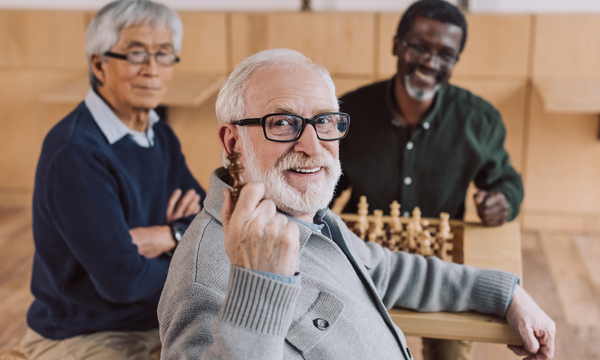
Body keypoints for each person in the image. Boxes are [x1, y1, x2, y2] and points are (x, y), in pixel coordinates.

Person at [157, 48, 554, 360]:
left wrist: (503, 294)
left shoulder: (304, 214)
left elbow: (385, 270)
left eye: (325, 121)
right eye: (281, 123)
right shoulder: (204, 282)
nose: (312, 146)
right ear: (232, 144)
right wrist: (261, 287)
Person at [21, 1, 205, 359]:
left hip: (158, 318)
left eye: (164, 55)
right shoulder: (75, 152)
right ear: (98, 63)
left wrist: (172, 235)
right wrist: (188, 253)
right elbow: (124, 281)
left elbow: (208, 220)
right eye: (136, 54)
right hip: (87, 335)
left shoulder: (158, 133)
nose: (152, 70)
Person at [336, 0, 523, 231]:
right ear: (396, 46)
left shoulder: (479, 120)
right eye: (420, 47)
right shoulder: (348, 113)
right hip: (362, 245)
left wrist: (502, 201)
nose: (430, 63)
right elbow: (324, 185)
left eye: (446, 55)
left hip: (439, 253)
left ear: (456, 61)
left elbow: (506, 181)